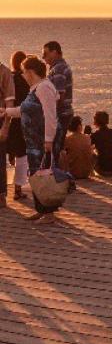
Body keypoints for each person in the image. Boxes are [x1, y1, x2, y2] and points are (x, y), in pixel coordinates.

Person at [3, 56, 63, 222]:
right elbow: (24, 109)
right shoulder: (37, 88)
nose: (22, 76)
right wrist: (6, 112)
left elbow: (50, 115)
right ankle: (42, 209)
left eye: (24, 73)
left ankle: (49, 212)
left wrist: (49, 139)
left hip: (42, 138)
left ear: (30, 72)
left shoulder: (44, 88)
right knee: (36, 173)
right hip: (34, 139)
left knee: (44, 173)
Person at [41, 41, 72, 171]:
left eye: (45, 54)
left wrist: (50, 116)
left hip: (60, 114)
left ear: (54, 52)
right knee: (55, 149)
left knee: (52, 149)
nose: (43, 57)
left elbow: (59, 96)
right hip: (64, 113)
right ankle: (52, 177)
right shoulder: (60, 67)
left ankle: (51, 179)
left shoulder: (58, 69)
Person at [6, 52, 29, 201]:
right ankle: (18, 189)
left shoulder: (8, 78)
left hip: (6, 118)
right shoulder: (25, 79)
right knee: (22, 155)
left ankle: (2, 190)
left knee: (6, 152)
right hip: (21, 119)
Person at [0, 52, 14, 206]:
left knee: (0, 159)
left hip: (0, 119)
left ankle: (1, 194)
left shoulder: (4, 73)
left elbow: (9, 103)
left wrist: (5, 127)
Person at [90, 111, 112, 176]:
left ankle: (90, 174)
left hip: (103, 170)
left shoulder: (96, 135)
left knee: (91, 154)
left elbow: (87, 147)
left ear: (96, 122)